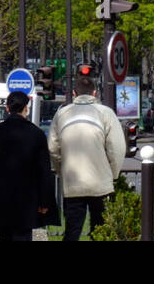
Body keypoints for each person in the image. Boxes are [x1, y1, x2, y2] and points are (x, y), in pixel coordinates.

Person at [48, 70, 125, 242]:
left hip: (72, 183)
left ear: (74, 94)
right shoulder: (105, 113)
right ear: (95, 93)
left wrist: (62, 171)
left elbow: (53, 148)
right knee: (101, 231)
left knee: (72, 231)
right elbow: (117, 148)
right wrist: (112, 174)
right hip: (101, 183)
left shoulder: (62, 114)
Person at [0, 90, 56, 241]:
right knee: (23, 236)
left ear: (7, 108)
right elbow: (44, 170)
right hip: (27, 200)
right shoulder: (36, 134)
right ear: (26, 108)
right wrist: (44, 201)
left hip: (1, 198)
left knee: (4, 235)